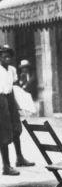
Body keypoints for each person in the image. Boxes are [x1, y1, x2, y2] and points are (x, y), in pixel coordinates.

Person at [0, 45, 35, 176]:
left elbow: (15, 86)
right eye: (4, 57)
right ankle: (6, 166)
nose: (6, 59)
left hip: (10, 99)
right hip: (0, 101)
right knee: (4, 132)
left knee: (16, 128)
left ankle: (19, 157)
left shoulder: (12, 70)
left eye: (9, 56)